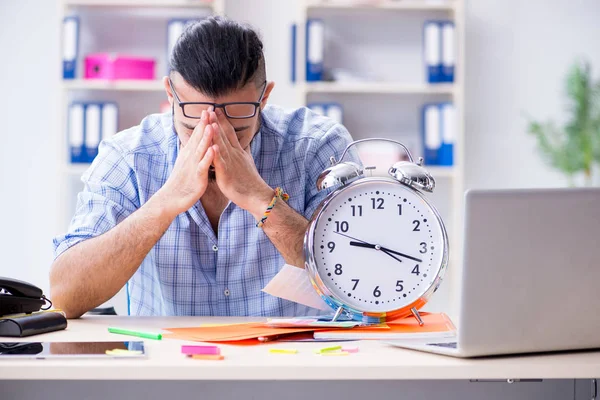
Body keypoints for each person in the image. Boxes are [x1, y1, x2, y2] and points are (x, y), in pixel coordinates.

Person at [50, 16, 359, 319]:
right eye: (191, 129)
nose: (214, 146)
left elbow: (355, 279)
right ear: (170, 94)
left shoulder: (317, 145)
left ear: (264, 98)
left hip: (286, 363)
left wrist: (261, 199)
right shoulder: (128, 155)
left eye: (235, 132)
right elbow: (65, 295)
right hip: (166, 365)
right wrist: (165, 203)